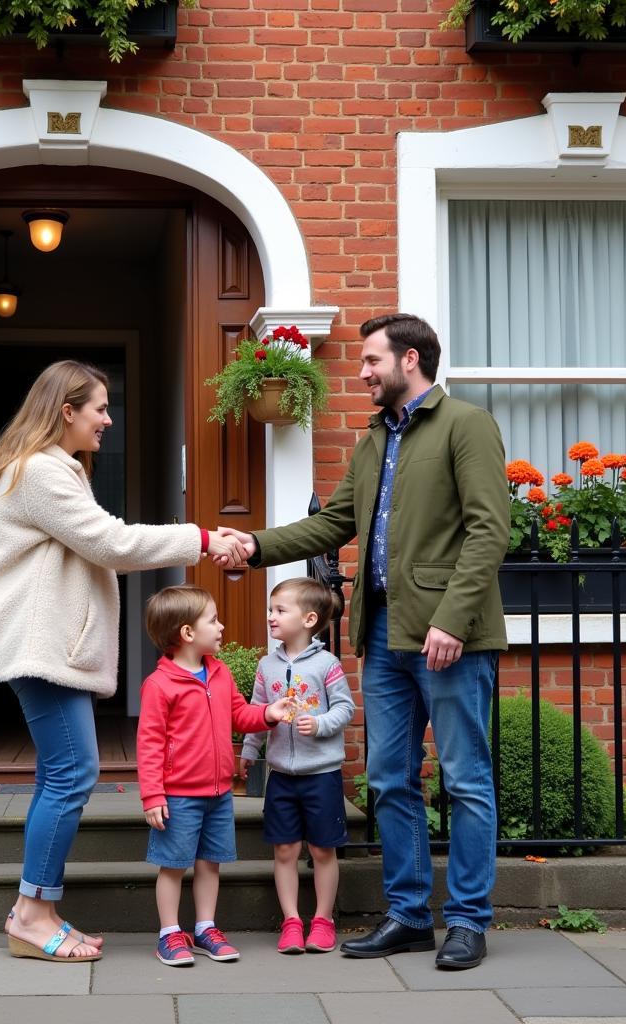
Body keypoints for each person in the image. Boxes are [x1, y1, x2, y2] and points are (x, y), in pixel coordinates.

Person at [219, 313, 509, 970]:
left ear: (410, 360)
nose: (363, 372)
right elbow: (333, 524)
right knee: (390, 779)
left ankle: (467, 919)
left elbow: (489, 532)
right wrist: (255, 547)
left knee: (464, 780)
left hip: (449, 639)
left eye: (372, 360)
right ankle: (408, 915)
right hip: (382, 635)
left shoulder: (466, 425)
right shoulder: (375, 438)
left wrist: (454, 619)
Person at [0, 360, 248, 964]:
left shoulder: (50, 469)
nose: (108, 418)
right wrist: (201, 539)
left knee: (59, 775)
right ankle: (34, 915)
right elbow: (111, 543)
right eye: (99, 407)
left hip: (41, 650)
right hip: (39, 652)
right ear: (66, 411)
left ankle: (36, 911)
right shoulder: (41, 471)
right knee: (72, 774)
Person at [136, 584, 294, 967]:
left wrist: (268, 714)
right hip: (177, 795)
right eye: (213, 620)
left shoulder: (219, 673)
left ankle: (205, 927)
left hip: (219, 791)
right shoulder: (159, 685)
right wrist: (152, 795)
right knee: (173, 865)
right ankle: (170, 934)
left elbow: (240, 715)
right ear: (187, 633)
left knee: (210, 861)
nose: (221, 626)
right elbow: (149, 743)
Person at [240, 577, 355, 955]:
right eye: (271, 610)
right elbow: (257, 712)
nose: (271, 617)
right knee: (285, 851)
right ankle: (291, 920)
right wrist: (249, 751)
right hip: (281, 777)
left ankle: (322, 920)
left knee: (323, 850)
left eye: (279, 610)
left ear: (308, 619)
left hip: (320, 775)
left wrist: (320, 724)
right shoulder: (266, 666)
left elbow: (345, 708)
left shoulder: (327, 664)